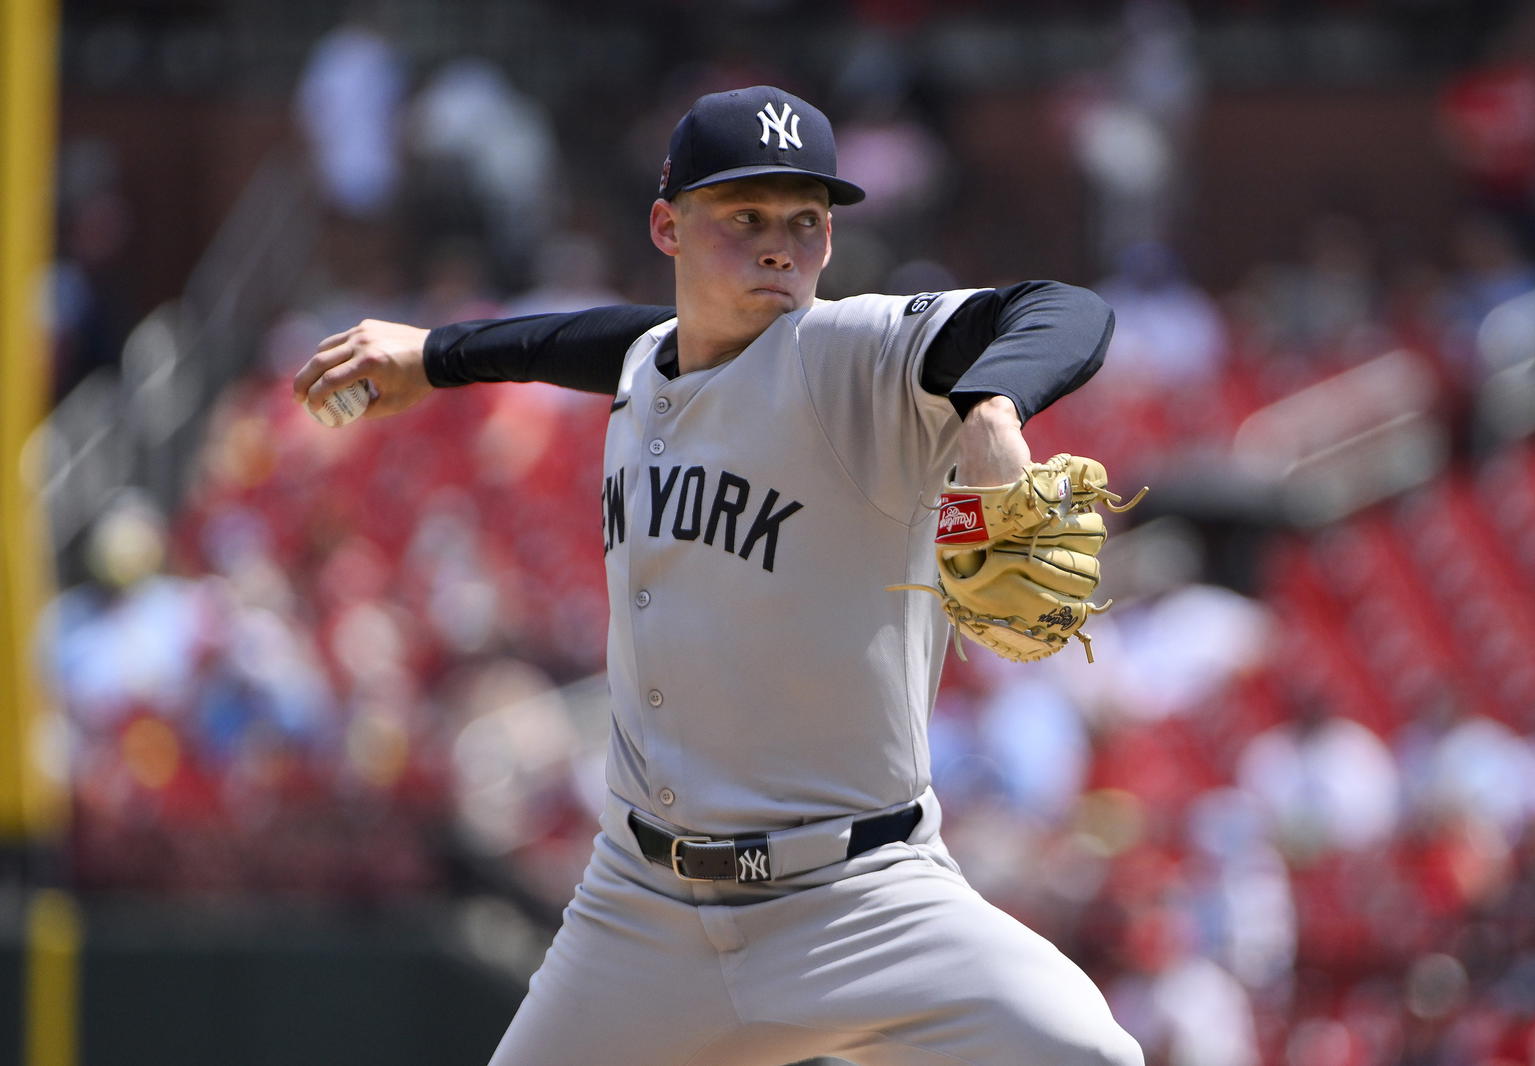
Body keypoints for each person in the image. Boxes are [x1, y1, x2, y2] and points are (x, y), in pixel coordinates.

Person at [295, 85, 1141, 1066]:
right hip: (641, 910)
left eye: (806, 222)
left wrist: (993, 409)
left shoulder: (851, 355)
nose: (781, 246)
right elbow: (605, 342)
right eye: (744, 218)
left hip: (860, 900)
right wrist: (439, 355)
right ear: (668, 226)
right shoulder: (654, 358)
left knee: (1095, 1058)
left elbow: (1061, 308)